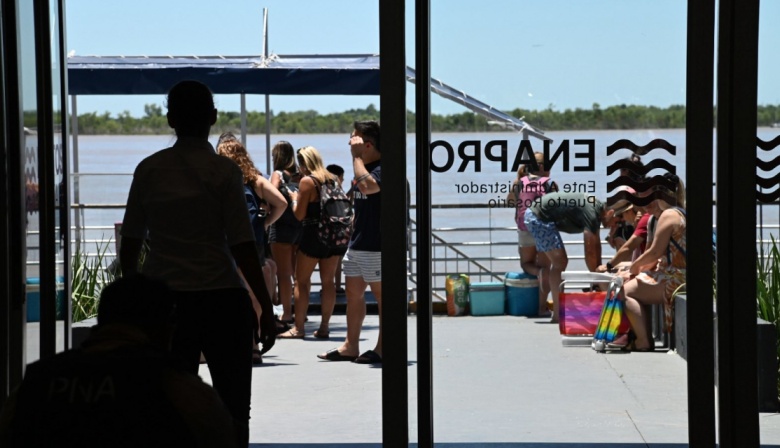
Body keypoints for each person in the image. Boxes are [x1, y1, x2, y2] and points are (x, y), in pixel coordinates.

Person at [118, 80, 275, 447]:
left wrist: (135, 302)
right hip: (222, 298)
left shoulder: (149, 169)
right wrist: (266, 308)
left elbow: (131, 243)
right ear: (213, 117)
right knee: (234, 408)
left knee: (168, 407)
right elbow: (242, 245)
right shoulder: (224, 172)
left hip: (165, 304)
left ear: (170, 118)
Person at [0, 275, 238, 447]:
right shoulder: (180, 390)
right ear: (163, 328)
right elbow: (222, 436)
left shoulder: (36, 383)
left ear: (102, 320)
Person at [216, 132, 287, 363]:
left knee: (223, 293)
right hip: (251, 242)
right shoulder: (255, 179)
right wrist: (265, 223)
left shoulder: (218, 177)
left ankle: (224, 342)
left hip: (224, 244)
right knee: (253, 293)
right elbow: (282, 203)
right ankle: (253, 343)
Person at [318, 120, 382, 364]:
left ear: (367, 144)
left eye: (354, 138)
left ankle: (383, 347)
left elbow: (368, 186)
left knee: (382, 298)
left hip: (378, 246)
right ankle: (350, 345)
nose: (349, 142)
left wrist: (356, 157)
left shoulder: (380, 167)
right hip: (357, 244)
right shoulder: (361, 168)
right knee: (353, 294)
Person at [278, 147, 346, 339]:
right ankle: (324, 327)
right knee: (328, 282)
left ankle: (299, 329)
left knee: (301, 282)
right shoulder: (332, 178)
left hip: (313, 235)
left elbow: (299, 215)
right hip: (333, 236)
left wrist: (294, 199)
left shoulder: (308, 181)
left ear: (304, 163)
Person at [523, 191, 619, 323]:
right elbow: (589, 249)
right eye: (617, 221)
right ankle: (557, 313)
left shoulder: (596, 211)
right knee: (560, 262)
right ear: (610, 213)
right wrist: (597, 278)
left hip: (541, 214)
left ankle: (548, 306)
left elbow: (596, 246)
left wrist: (599, 271)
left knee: (555, 263)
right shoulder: (591, 213)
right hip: (538, 217)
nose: (616, 225)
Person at [616, 175, 686, 351]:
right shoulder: (680, 212)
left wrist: (633, 268)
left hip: (677, 278)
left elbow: (655, 252)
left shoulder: (668, 215)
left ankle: (643, 341)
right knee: (630, 282)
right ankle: (640, 336)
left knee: (624, 291)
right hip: (679, 274)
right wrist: (634, 270)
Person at [506, 151, 557, 316]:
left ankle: (538, 273)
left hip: (525, 228)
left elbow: (510, 201)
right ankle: (542, 308)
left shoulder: (519, 182)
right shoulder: (549, 183)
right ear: (541, 167)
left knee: (526, 264)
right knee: (546, 267)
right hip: (544, 229)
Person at [269, 141, 303, 327]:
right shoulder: (298, 176)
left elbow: (271, 195)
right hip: (298, 226)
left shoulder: (278, 174)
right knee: (297, 274)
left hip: (281, 227)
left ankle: (287, 314)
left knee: (283, 274)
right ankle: (299, 311)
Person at [327, 163, 347, 294]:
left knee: (333, 260)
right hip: (336, 230)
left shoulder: (324, 189)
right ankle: (337, 286)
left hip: (326, 230)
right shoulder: (336, 190)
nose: (343, 180)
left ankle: (332, 286)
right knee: (337, 259)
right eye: (342, 177)